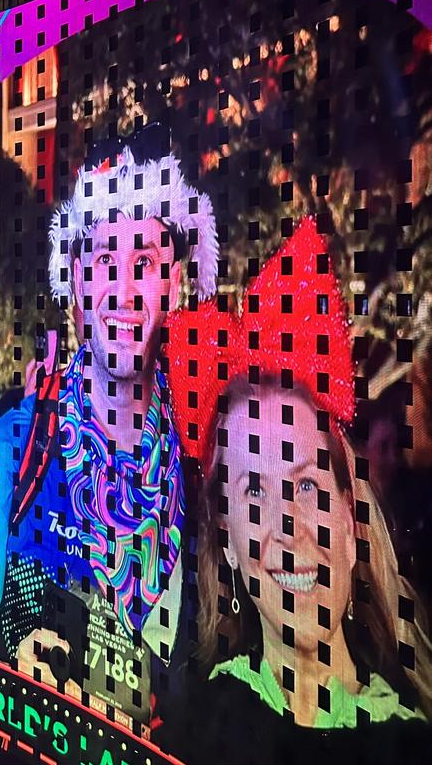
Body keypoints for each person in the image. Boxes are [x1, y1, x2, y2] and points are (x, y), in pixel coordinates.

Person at [0, 121, 219, 739]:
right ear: (78, 284)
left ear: (173, 284)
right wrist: (16, 669)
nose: (122, 289)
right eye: (103, 261)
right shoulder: (10, 454)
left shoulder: (204, 465)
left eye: (144, 261)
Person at [166, 217, 431, 762]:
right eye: (255, 494)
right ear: (228, 536)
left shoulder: (410, 740)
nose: (290, 529)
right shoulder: (191, 731)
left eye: (307, 486)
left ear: (351, 513)